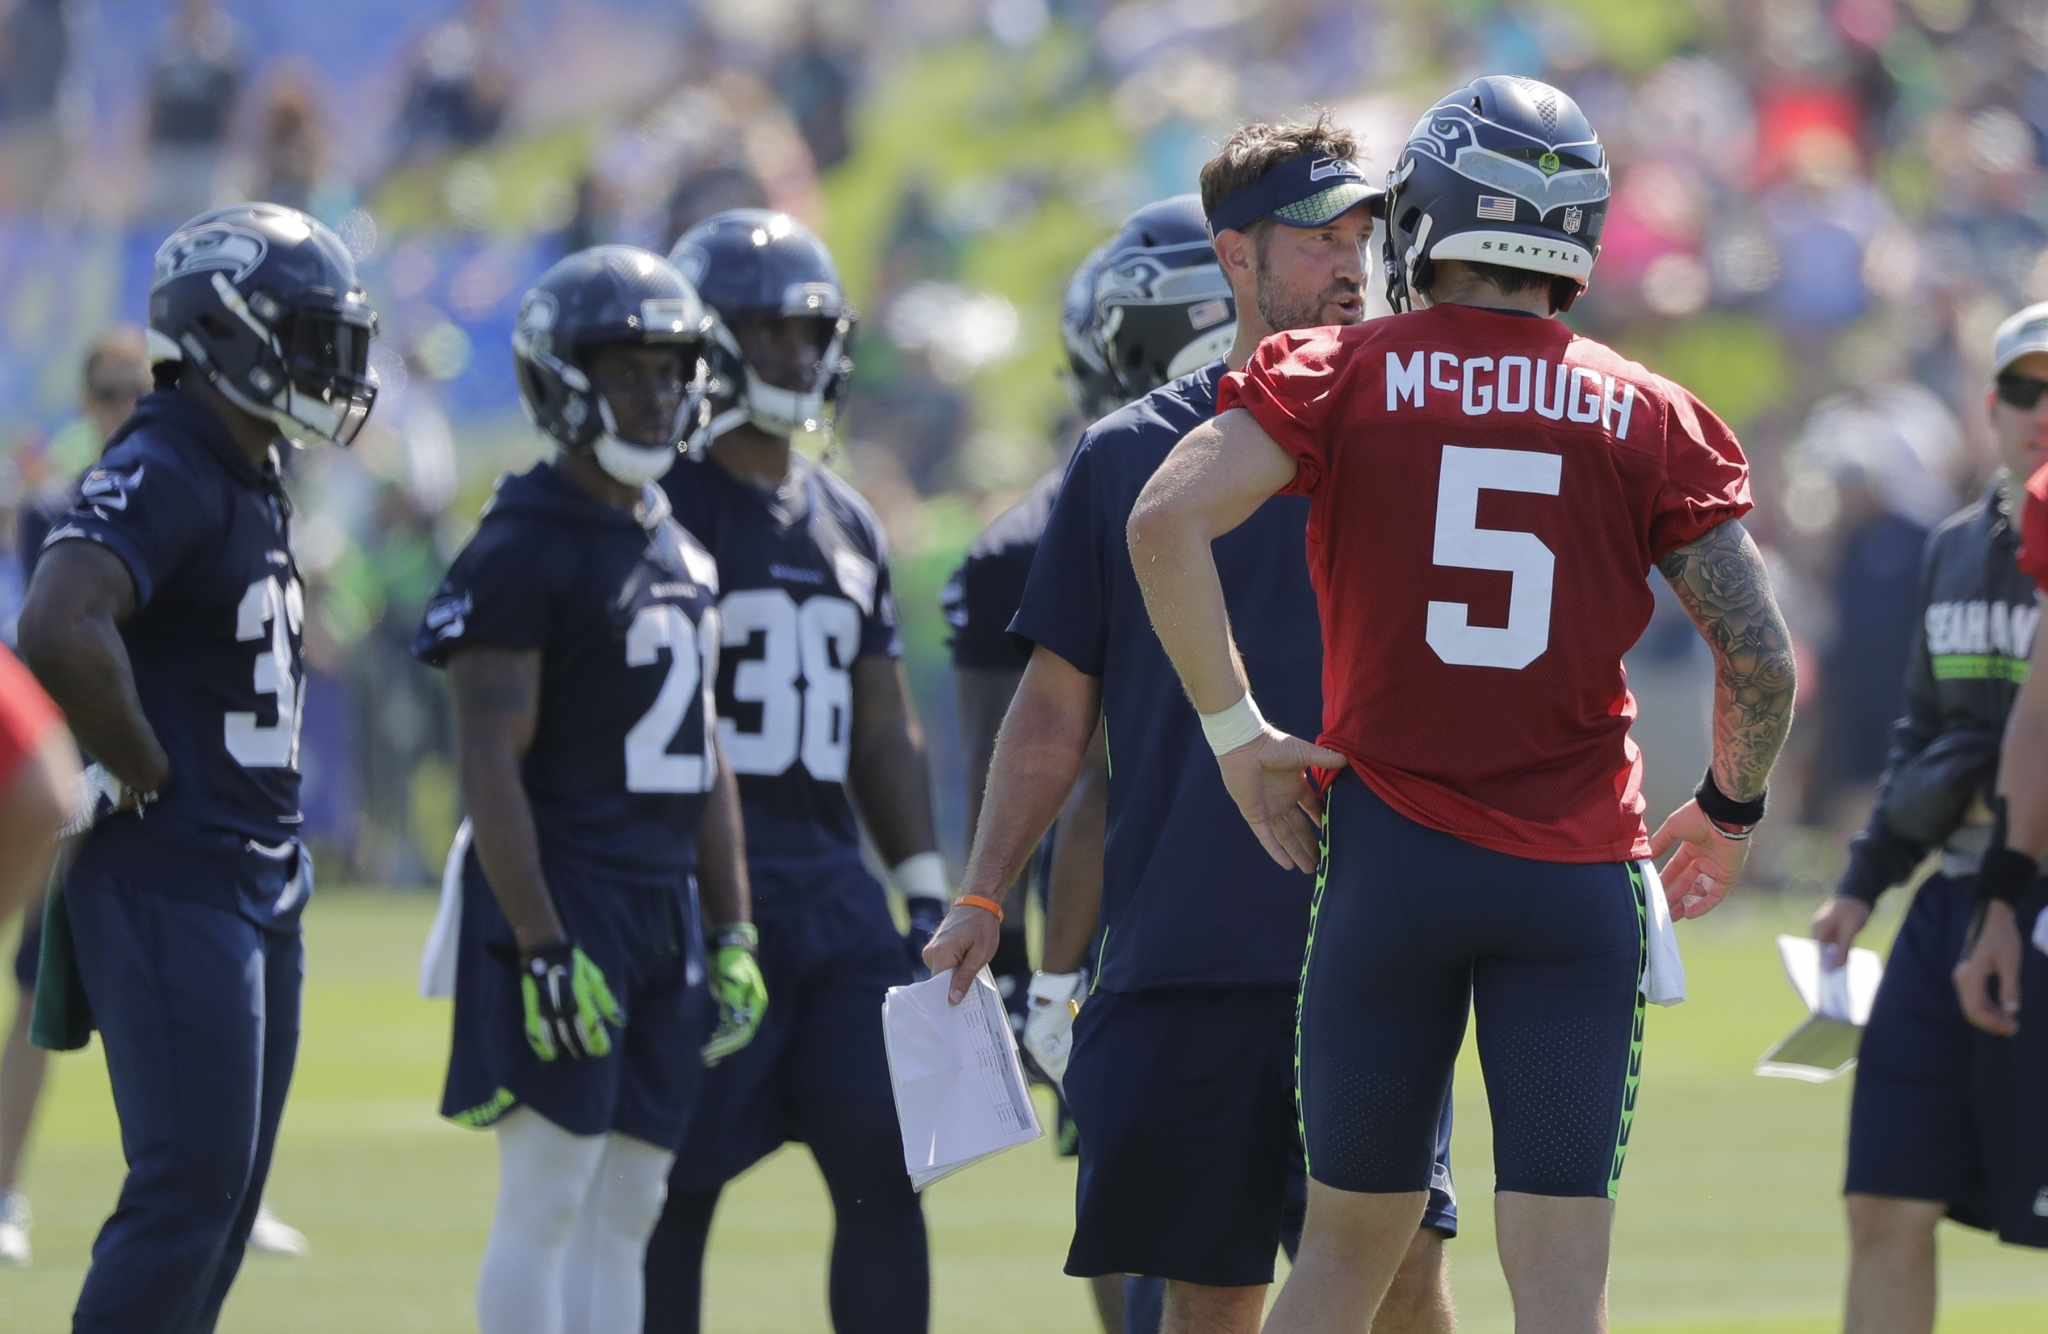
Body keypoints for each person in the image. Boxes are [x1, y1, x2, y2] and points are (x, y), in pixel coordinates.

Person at [1120, 78, 1795, 1334]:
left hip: (1390, 863)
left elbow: (1162, 519)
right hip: (1570, 877)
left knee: (1337, 1262)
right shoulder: (1646, 408)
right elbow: (1760, 660)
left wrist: (1237, 737)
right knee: (1557, 1285)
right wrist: (1729, 804)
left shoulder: (1343, 368)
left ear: (1422, 220)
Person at [922, 134, 1457, 1334]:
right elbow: (1053, 710)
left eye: (1362, 238)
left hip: (1373, 947)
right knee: (1207, 1297)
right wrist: (981, 893)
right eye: (1320, 238)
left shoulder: (1417, 439)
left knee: (1405, 1281)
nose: (1351, 265)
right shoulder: (1120, 460)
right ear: (1234, 255)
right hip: (1180, 958)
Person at [15, 202, 378, 1333]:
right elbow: (60, 619)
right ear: (229, 330)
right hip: (177, 865)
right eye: (306, 333)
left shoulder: (241, 458)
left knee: (219, 1203)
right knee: (186, 1190)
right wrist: (140, 760)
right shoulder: (169, 454)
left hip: (252, 866)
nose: (328, 362)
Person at [414, 246, 765, 1334]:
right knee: (549, 1193)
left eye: (669, 372)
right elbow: (488, 760)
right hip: (563, 889)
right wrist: (541, 938)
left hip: (662, 902)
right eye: (626, 372)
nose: (655, 394)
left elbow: (702, 751)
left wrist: (735, 923)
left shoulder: (679, 547)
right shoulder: (520, 543)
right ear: (562, 379)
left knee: (631, 1205)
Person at [642, 209, 944, 1334]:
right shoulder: (658, 504)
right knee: (674, 1182)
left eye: (808, 332)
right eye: (765, 333)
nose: (794, 357)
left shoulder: (846, 517)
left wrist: (922, 881)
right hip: (699, 888)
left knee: (882, 1167)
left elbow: (880, 725)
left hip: (829, 889)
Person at [1812, 302, 2048, 1330]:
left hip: (2031, 902)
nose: (2041, 409)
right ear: (1988, 407)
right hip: (1951, 896)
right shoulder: (1950, 548)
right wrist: (1860, 885)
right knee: (1882, 1197)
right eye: (2023, 388)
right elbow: (1919, 730)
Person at [0, 326, 153, 1267]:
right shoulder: (56, 505)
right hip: (81, 777)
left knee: (192, 986)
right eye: (108, 390)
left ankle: (218, 1183)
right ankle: (5, 1189)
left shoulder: (198, 493)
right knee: (37, 989)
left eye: (140, 388)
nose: (124, 407)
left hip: (160, 777)